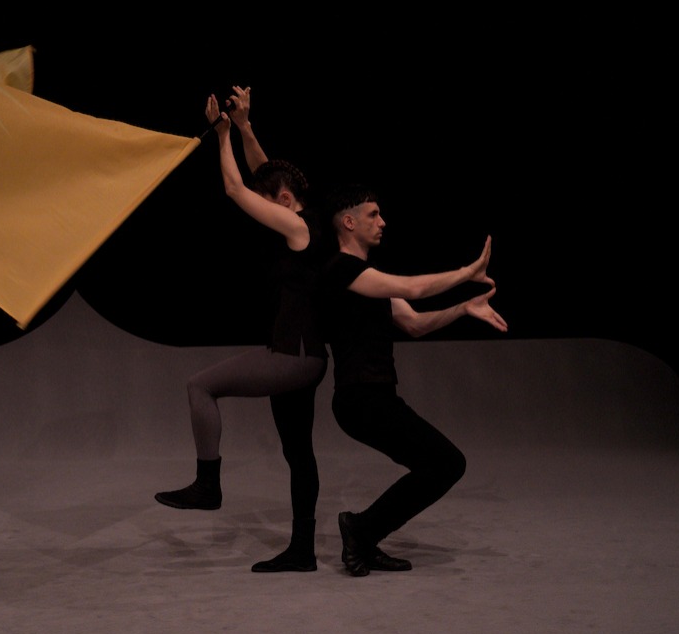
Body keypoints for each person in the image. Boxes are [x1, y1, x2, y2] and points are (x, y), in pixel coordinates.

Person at [154, 86, 336, 573]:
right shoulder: (307, 223)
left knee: (200, 386)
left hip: (292, 356)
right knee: (299, 453)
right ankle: (302, 551)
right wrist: (245, 126)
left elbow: (238, 189)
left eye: (268, 201)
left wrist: (220, 135)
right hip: (307, 356)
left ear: (284, 201)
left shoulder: (299, 228)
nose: (261, 206)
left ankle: (207, 485)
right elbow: (264, 174)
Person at [319, 183, 508, 577]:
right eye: (373, 214)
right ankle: (360, 529)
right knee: (446, 463)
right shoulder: (342, 270)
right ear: (348, 222)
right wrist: (468, 273)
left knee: (438, 465)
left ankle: (364, 532)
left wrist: (464, 308)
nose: (382, 222)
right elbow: (415, 288)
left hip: (376, 397)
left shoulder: (370, 279)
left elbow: (415, 324)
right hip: (359, 398)